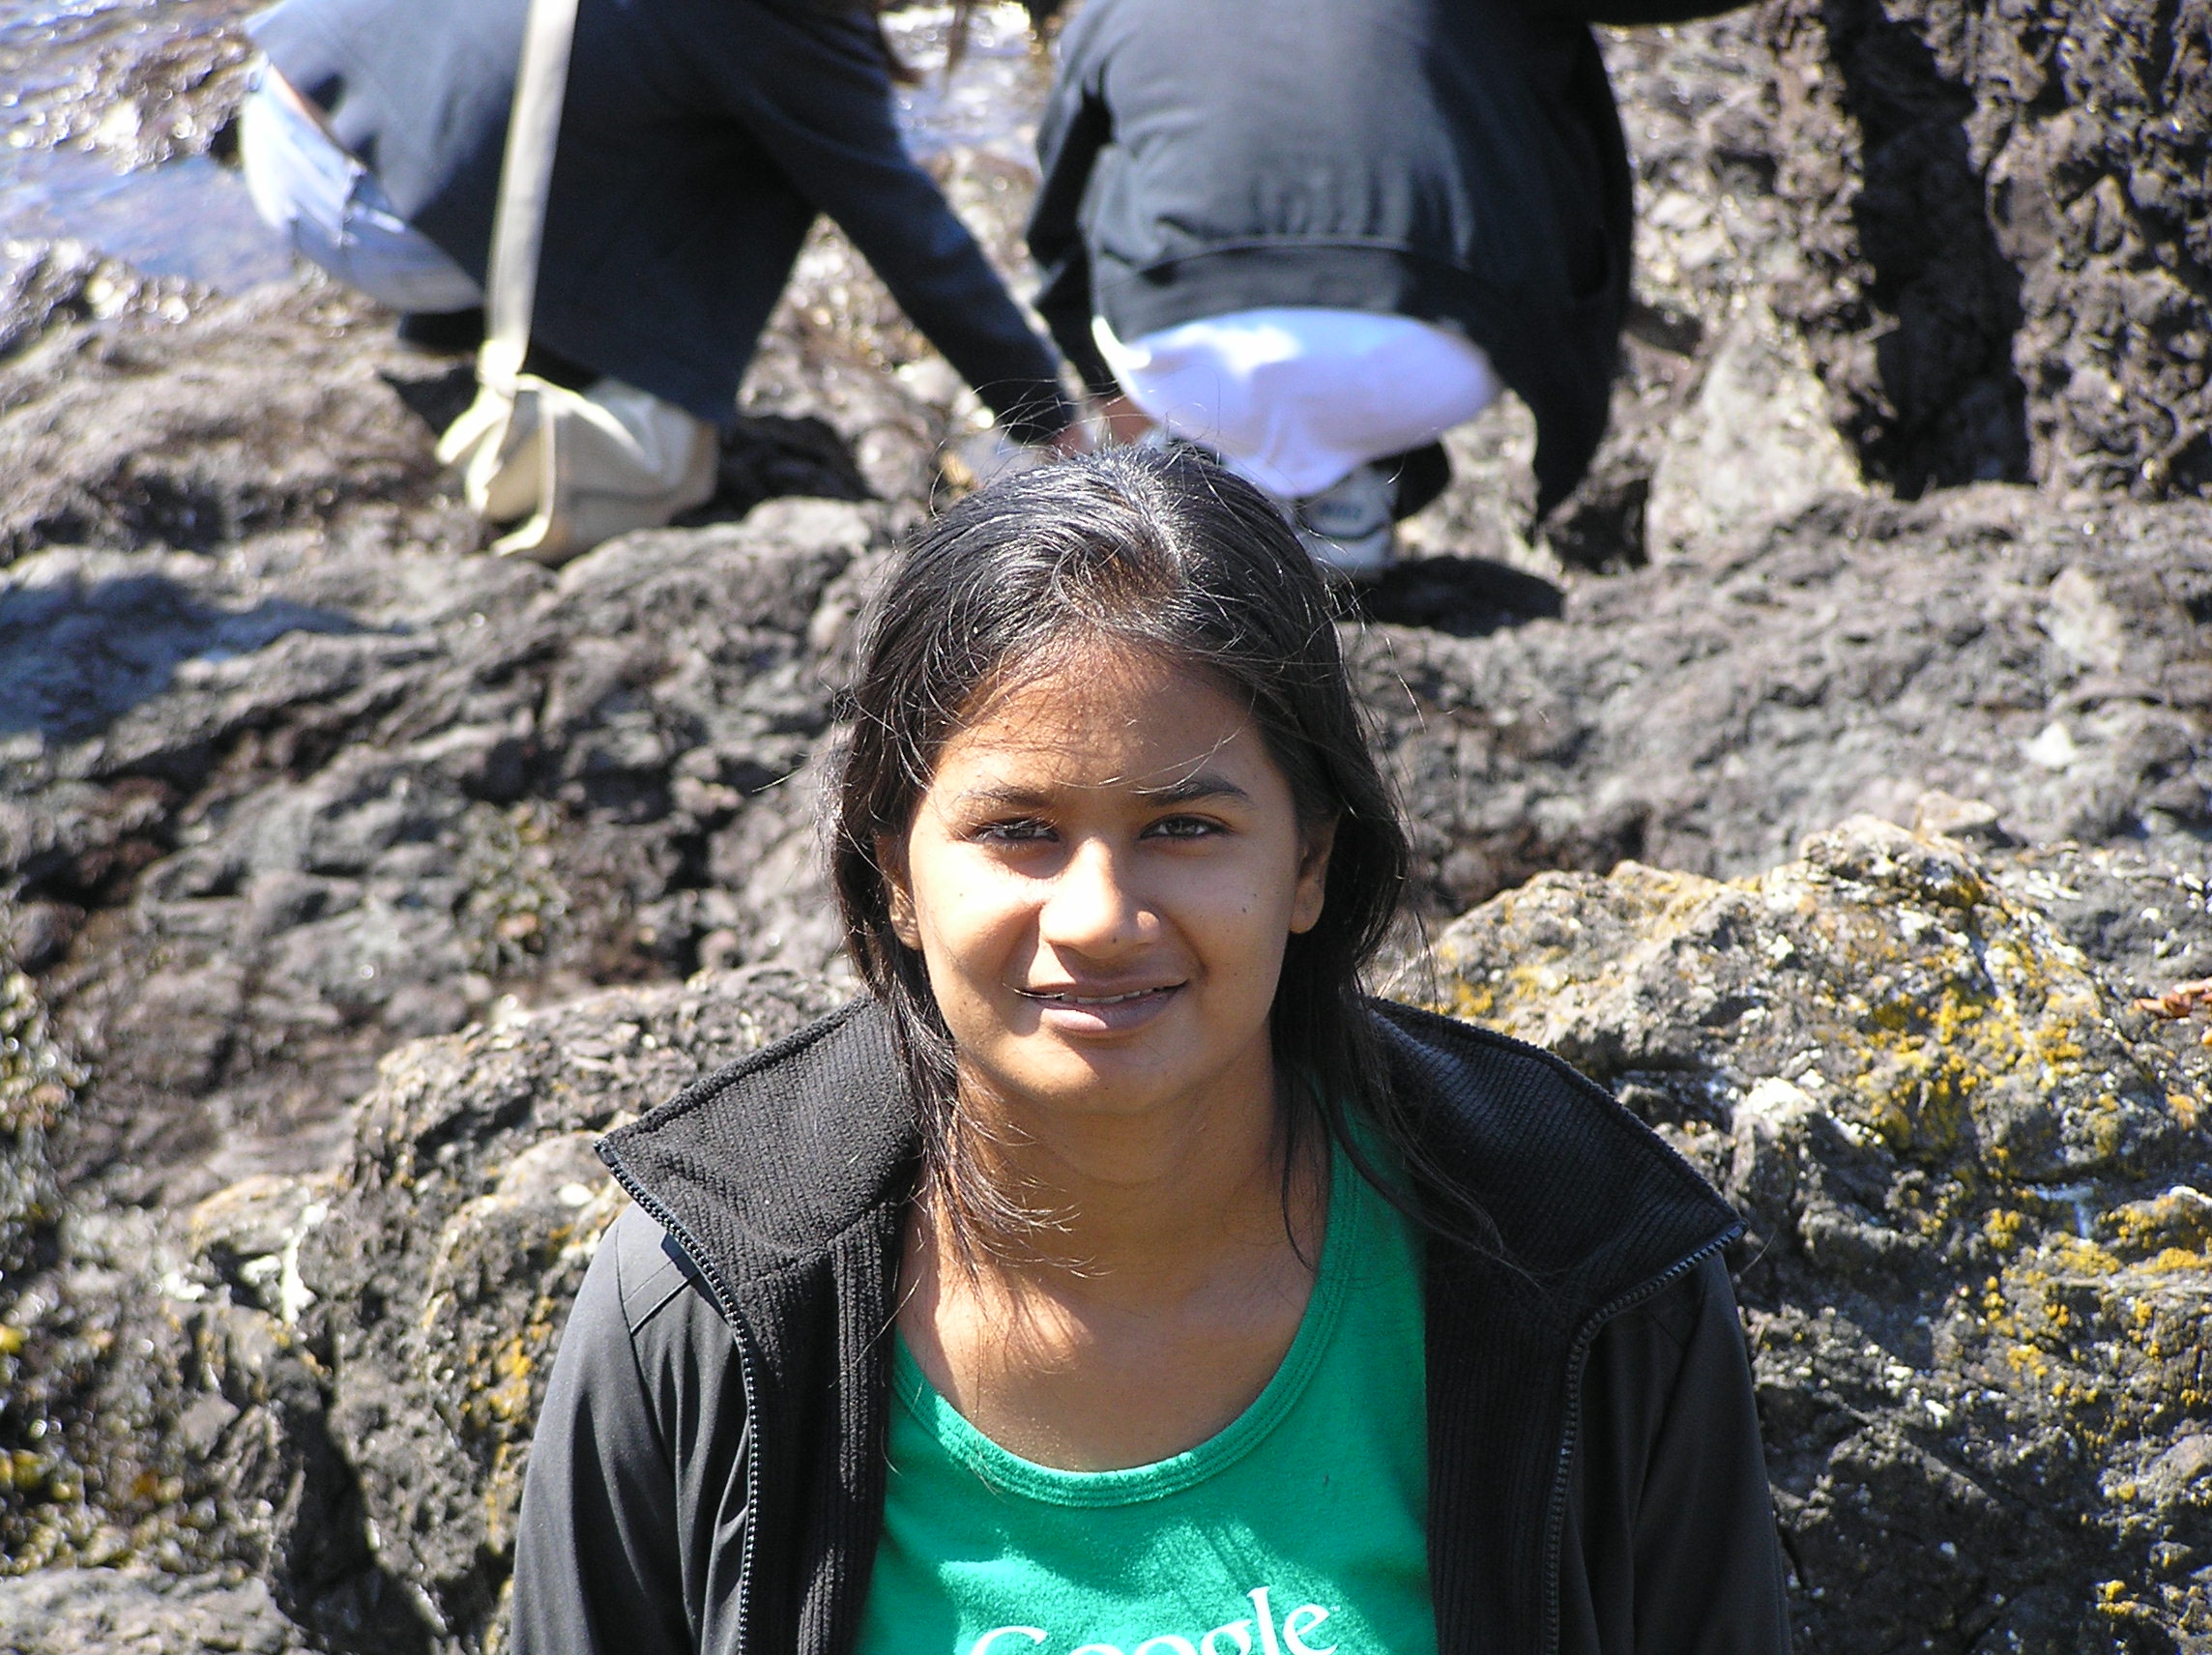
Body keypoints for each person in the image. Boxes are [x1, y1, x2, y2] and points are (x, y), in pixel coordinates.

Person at [509, 448, 1791, 1655]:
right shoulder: (702, 1302)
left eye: (1184, 826)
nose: (1099, 918)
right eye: (1018, 829)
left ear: (1309, 860)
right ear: (894, 871)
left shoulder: (1584, 1267)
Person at [235, 0, 1081, 557]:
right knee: (772, 161)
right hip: (361, 209)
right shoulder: (783, 21)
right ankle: (544, 342)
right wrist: (1058, 427)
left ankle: (481, 308)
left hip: (290, 88)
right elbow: (908, 234)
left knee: (669, 88)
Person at [1026, 0, 1643, 576]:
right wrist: (1570, 416)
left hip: (1180, 359)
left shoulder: (1112, 10)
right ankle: (1343, 491)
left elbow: (1054, 232)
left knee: (1115, 163)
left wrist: (1113, 392)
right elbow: (1591, 165)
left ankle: (1232, 480)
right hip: (1440, 361)